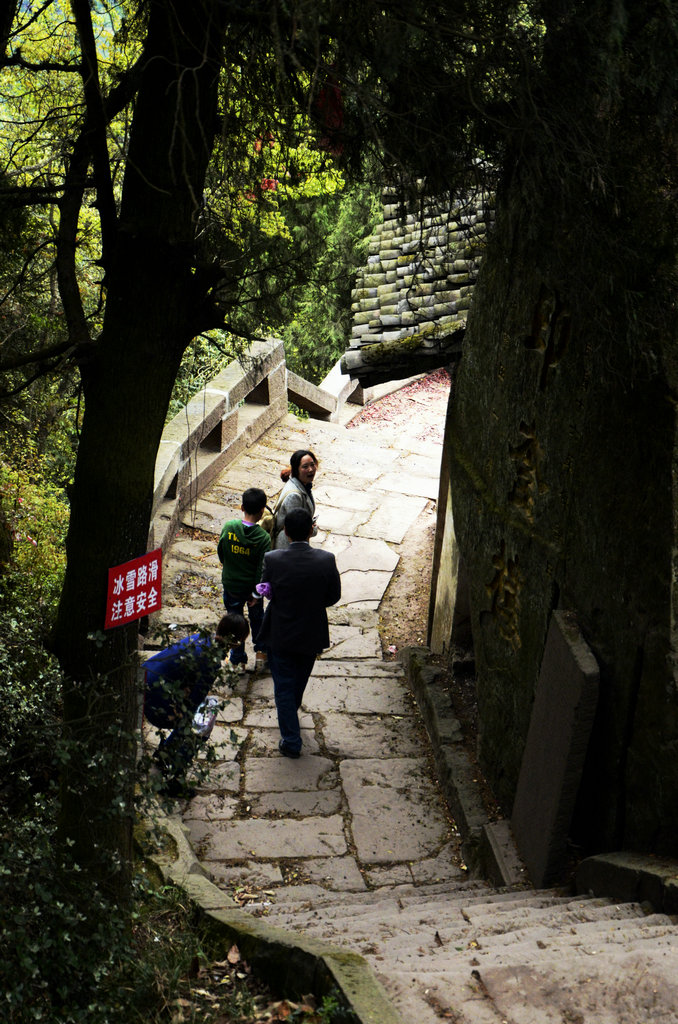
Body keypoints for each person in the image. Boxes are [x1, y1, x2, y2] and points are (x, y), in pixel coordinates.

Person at [257, 507, 341, 758]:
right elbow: (333, 596)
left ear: (286, 532)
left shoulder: (273, 559)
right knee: (298, 682)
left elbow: (265, 589)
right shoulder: (326, 559)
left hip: (280, 631)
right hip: (311, 631)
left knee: (283, 685)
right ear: (310, 531)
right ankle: (289, 717)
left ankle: (291, 739)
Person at [143, 613, 248, 797]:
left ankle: (165, 754)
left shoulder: (202, 638)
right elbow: (193, 703)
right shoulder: (210, 660)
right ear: (235, 642)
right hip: (156, 702)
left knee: (194, 717)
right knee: (200, 726)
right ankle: (174, 778)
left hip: (146, 682)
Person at [217, 487, 271, 672]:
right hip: (251, 589)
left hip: (232, 585)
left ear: (242, 507)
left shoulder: (229, 527)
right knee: (257, 619)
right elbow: (261, 569)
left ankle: (238, 660)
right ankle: (261, 654)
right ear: (262, 511)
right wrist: (256, 593)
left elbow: (221, 553)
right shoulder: (263, 538)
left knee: (234, 620)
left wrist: (230, 567)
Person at [272, 449, 319, 550]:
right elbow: (297, 528)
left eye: (312, 464)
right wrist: (313, 529)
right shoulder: (294, 496)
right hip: (288, 547)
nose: (311, 469)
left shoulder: (302, 485)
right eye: (305, 467)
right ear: (296, 469)